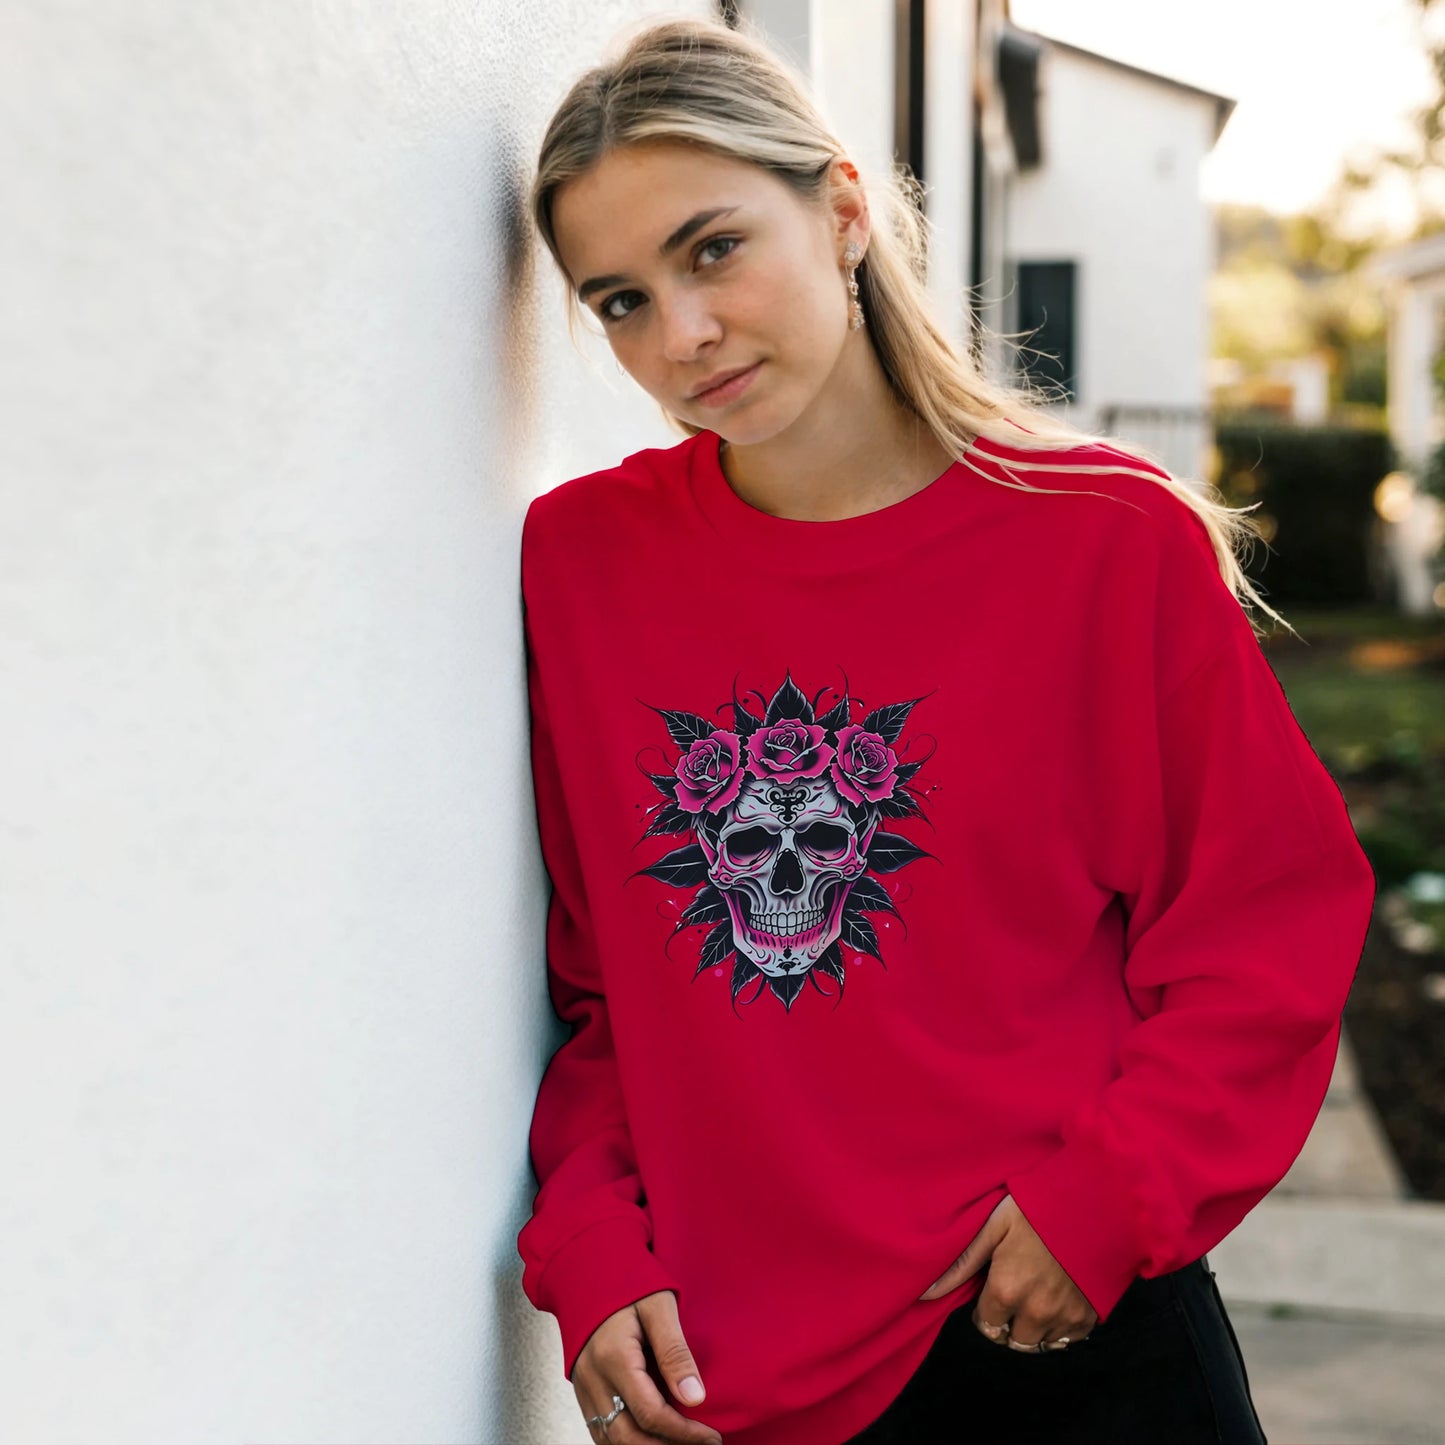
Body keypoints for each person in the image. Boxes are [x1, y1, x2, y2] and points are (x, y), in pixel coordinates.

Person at [514, 15, 1375, 1445]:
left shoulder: (1102, 539)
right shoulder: (583, 568)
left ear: (843, 211)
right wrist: (594, 1253)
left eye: (713, 248)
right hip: (742, 1383)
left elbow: (1261, 931)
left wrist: (1107, 1199)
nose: (681, 335)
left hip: (1056, 1330)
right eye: (618, 300)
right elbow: (604, 983)